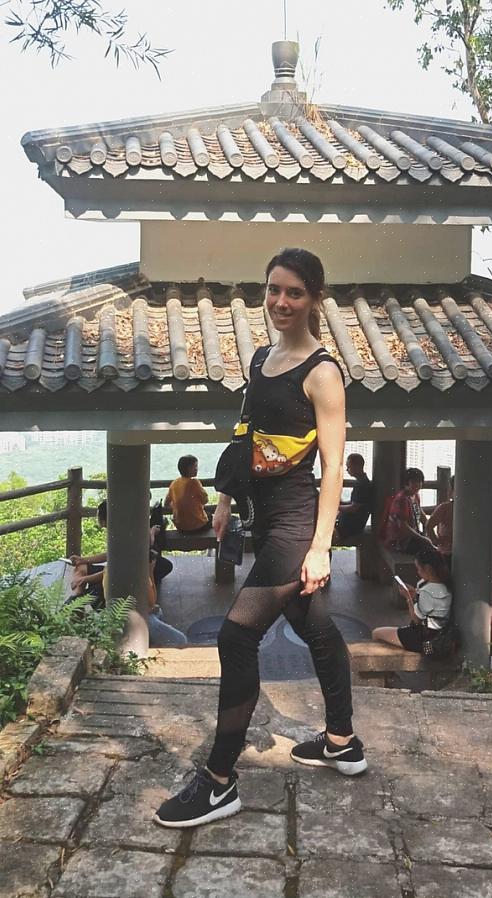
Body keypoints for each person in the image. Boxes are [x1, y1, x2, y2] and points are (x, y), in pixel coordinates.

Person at [154, 247, 367, 830]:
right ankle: (343, 741)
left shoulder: (322, 373)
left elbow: (333, 466)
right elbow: (245, 432)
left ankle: (220, 780)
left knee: (236, 635)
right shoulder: (262, 358)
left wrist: (321, 547)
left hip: (296, 525)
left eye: (294, 292)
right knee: (314, 626)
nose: (281, 301)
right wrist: (224, 500)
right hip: (264, 518)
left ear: (315, 298)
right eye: (274, 289)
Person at [70, 501, 186, 648]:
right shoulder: (137, 566)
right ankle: (78, 594)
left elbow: (109, 569)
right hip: (138, 618)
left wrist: (85, 577)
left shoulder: (121, 548)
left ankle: (77, 596)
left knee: (83, 570)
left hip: (121, 610)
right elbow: (151, 603)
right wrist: (150, 572)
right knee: (180, 639)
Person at [371, 545, 452, 653]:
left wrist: (408, 598)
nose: (418, 572)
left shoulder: (427, 591)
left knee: (376, 633)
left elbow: (416, 619)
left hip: (422, 639)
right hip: (437, 634)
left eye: (418, 568)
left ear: (427, 569)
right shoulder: (444, 584)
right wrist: (415, 594)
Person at [382, 468, 431, 554]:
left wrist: (429, 529)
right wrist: (422, 538)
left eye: (419, 481)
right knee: (428, 549)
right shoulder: (402, 499)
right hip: (399, 541)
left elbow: (420, 514)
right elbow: (403, 527)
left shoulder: (415, 496)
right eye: (414, 481)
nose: (418, 484)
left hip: (410, 537)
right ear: (407, 482)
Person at [164, 455, 212, 533]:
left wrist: (178, 505)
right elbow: (205, 501)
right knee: (210, 516)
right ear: (188, 468)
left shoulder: (174, 483)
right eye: (194, 466)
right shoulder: (194, 483)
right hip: (197, 526)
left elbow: (166, 504)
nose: (196, 469)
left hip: (180, 527)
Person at [335, 453, 373, 540]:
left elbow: (354, 508)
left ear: (357, 466)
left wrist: (337, 507)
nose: (347, 470)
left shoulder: (362, 485)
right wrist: (341, 504)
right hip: (354, 525)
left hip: (351, 528)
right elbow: (355, 503)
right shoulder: (363, 482)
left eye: (349, 467)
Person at [426, 475, 454, 568]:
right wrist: (435, 541)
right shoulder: (445, 508)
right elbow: (429, 526)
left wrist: (435, 541)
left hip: (446, 552)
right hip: (447, 552)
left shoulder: (445, 507)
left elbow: (429, 526)